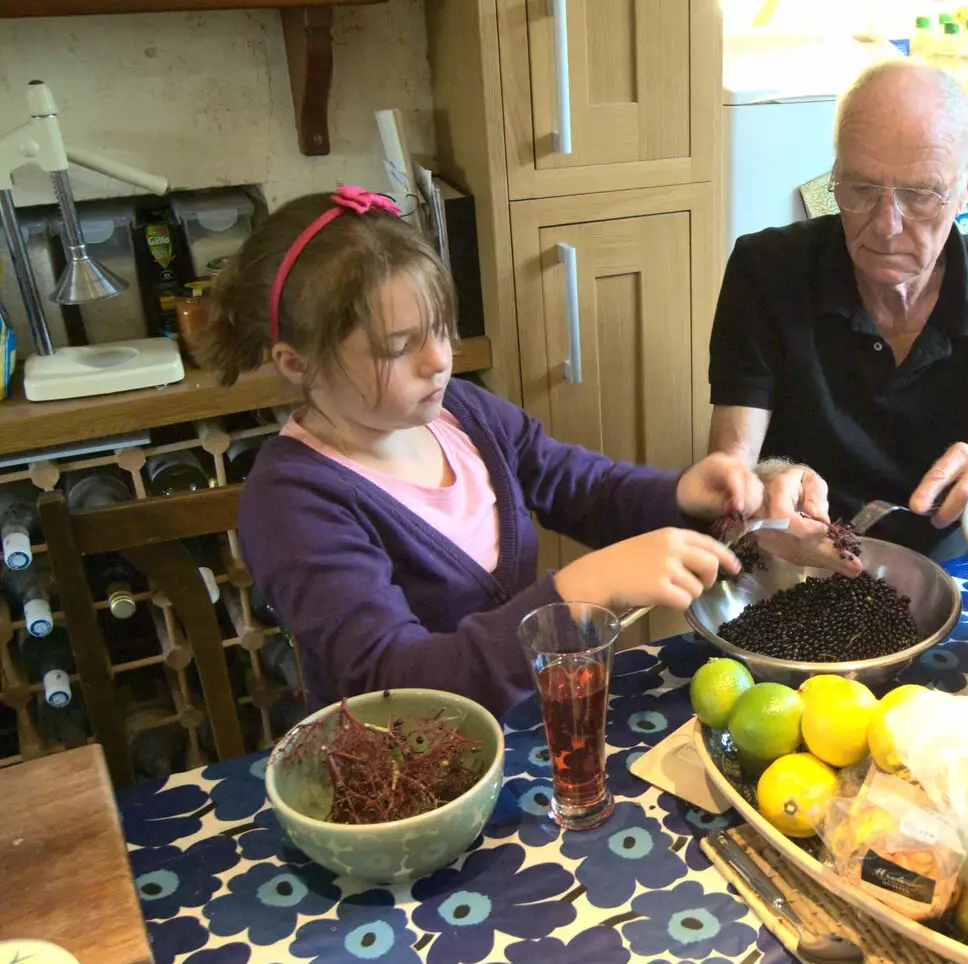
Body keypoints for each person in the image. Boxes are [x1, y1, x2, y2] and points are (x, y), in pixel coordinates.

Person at [198, 187, 761, 716]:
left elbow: (582, 486)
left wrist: (682, 494)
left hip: (524, 732)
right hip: (405, 775)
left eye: (441, 329)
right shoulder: (292, 504)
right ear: (298, 363)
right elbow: (393, 683)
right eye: (399, 348)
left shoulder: (462, 412)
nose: (438, 360)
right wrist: (578, 593)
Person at [708, 60, 968, 560]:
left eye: (920, 195)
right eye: (862, 189)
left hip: (947, 566)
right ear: (836, 175)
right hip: (796, 555)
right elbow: (727, 479)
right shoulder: (765, 270)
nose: (886, 226)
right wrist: (764, 479)